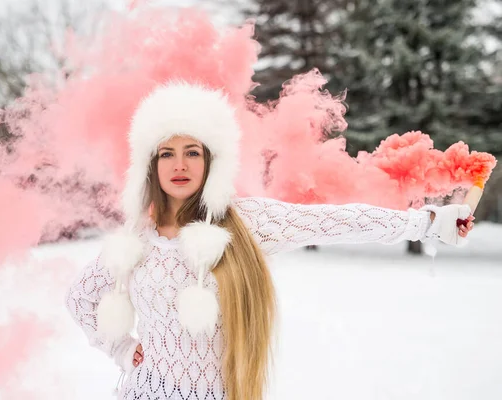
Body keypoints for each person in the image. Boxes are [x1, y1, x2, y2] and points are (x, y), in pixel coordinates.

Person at [65, 82, 475, 400]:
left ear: (211, 162)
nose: (180, 165)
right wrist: (120, 348)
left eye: (193, 151)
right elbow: (81, 298)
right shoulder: (134, 241)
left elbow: (333, 222)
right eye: (166, 154)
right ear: (150, 166)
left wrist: (426, 223)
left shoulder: (246, 223)